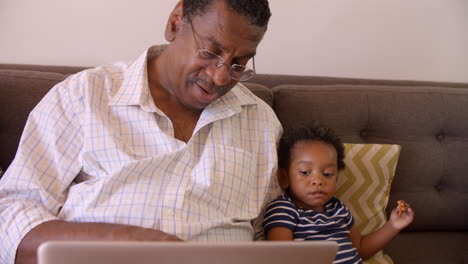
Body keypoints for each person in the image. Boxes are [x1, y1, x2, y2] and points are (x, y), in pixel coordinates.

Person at [0, 1, 282, 263]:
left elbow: (270, 229)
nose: (220, 77)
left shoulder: (260, 121)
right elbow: (10, 214)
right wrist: (124, 239)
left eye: (239, 63)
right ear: (175, 23)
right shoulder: (83, 95)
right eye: (209, 52)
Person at [262, 123, 414, 264]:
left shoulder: (338, 208)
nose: (318, 180)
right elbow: (280, 258)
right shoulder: (283, 209)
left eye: (327, 174)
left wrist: (393, 225)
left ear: (337, 179)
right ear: (284, 178)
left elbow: (359, 249)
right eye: (305, 172)